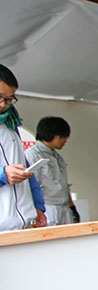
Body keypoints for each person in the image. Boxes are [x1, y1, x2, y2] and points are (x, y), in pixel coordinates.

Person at [0, 64, 46, 231]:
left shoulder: (11, 125)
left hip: (22, 222)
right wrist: (2, 173)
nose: (4, 104)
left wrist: (38, 206)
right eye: (0, 97)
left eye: (9, 99)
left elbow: (26, 169)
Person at [25, 116, 79, 226]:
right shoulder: (33, 155)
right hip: (47, 207)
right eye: (64, 137)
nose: (65, 141)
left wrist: (72, 207)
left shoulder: (57, 157)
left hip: (63, 207)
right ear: (54, 135)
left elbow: (64, 185)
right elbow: (30, 186)